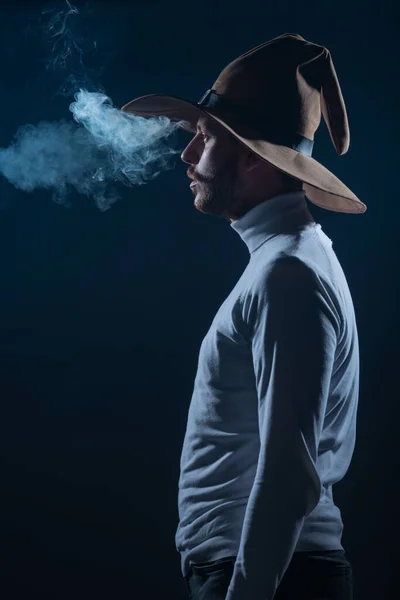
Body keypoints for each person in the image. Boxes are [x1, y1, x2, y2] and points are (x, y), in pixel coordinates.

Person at [122, 33, 366, 600]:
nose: (187, 156)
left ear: (254, 156)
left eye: (204, 138)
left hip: (274, 579)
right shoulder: (284, 264)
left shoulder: (289, 275)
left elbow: (289, 472)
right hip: (269, 573)